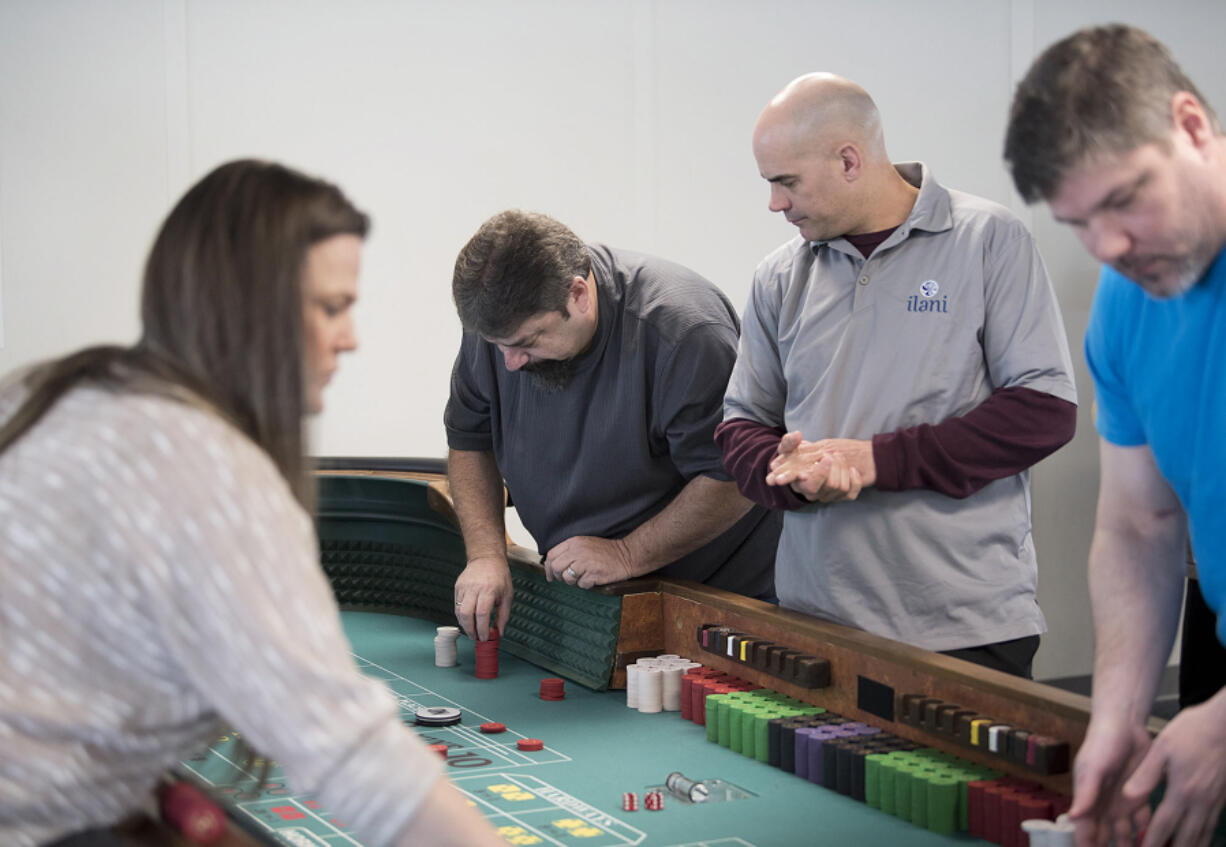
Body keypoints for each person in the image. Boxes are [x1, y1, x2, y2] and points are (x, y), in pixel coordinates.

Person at [0, 160, 505, 847]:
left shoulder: (50, 393)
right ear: (248, 306)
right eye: (332, 307)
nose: (350, 337)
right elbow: (355, 758)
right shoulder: (205, 468)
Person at [716, 73, 1078, 679]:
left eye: (786, 182)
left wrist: (876, 460)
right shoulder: (778, 276)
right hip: (813, 621)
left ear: (849, 160)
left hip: (963, 627)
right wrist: (789, 475)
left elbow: (1043, 410)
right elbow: (741, 424)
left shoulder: (988, 240)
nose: (775, 203)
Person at [1006, 24, 1226, 847]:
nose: (1109, 247)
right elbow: (1141, 524)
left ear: (1192, 127)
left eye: (1125, 198)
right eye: (1078, 222)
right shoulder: (1126, 300)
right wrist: (1117, 716)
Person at [445, 210, 780, 641]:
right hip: (596, 596)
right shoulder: (498, 330)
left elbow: (735, 479)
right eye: (498, 346)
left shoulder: (684, 333)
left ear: (578, 294)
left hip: (719, 602)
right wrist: (486, 555)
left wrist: (627, 553)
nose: (509, 363)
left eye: (528, 342)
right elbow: (469, 440)